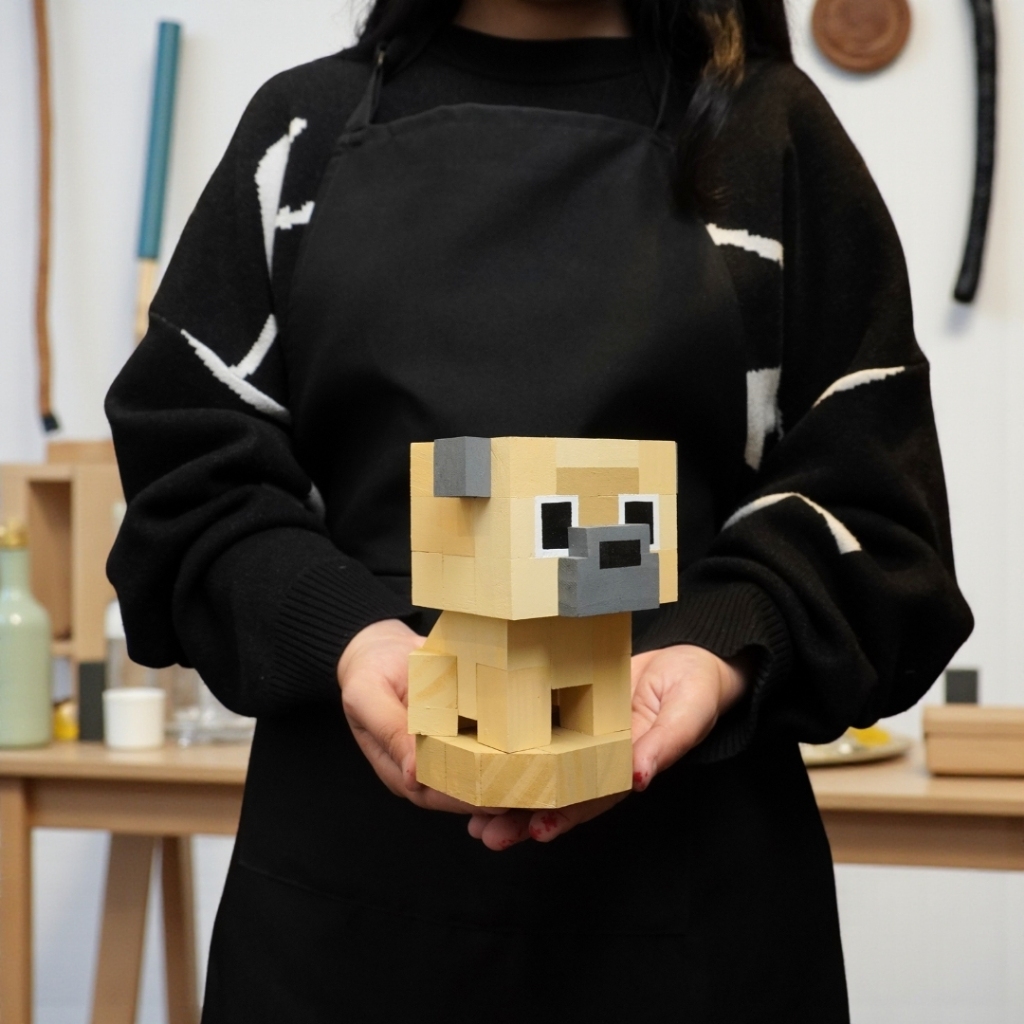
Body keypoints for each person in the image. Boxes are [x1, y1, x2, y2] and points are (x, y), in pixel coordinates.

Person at [106, 0, 973, 1020]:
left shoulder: (770, 135)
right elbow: (191, 482)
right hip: (341, 920)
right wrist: (349, 637)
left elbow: (874, 507)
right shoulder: (300, 136)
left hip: (693, 918)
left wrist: (713, 647)